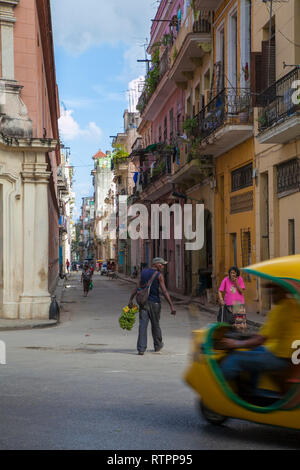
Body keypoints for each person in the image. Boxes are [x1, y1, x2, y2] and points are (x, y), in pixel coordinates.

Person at [219, 285, 300, 396]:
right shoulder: (294, 304)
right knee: (255, 350)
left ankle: (220, 393)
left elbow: (261, 339)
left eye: (275, 291)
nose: (271, 295)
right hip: (288, 355)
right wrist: (246, 337)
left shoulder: (281, 309)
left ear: (283, 291)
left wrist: (236, 343)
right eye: (271, 292)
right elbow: (268, 333)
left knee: (235, 358)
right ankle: (253, 390)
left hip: (282, 358)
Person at [128, 258, 176, 356]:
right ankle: (158, 345)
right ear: (157, 264)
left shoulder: (143, 272)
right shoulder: (159, 275)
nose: (163, 266)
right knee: (155, 325)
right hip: (155, 304)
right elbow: (164, 291)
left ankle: (141, 349)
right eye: (162, 265)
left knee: (143, 325)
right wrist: (171, 306)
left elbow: (137, 287)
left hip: (143, 303)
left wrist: (130, 299)